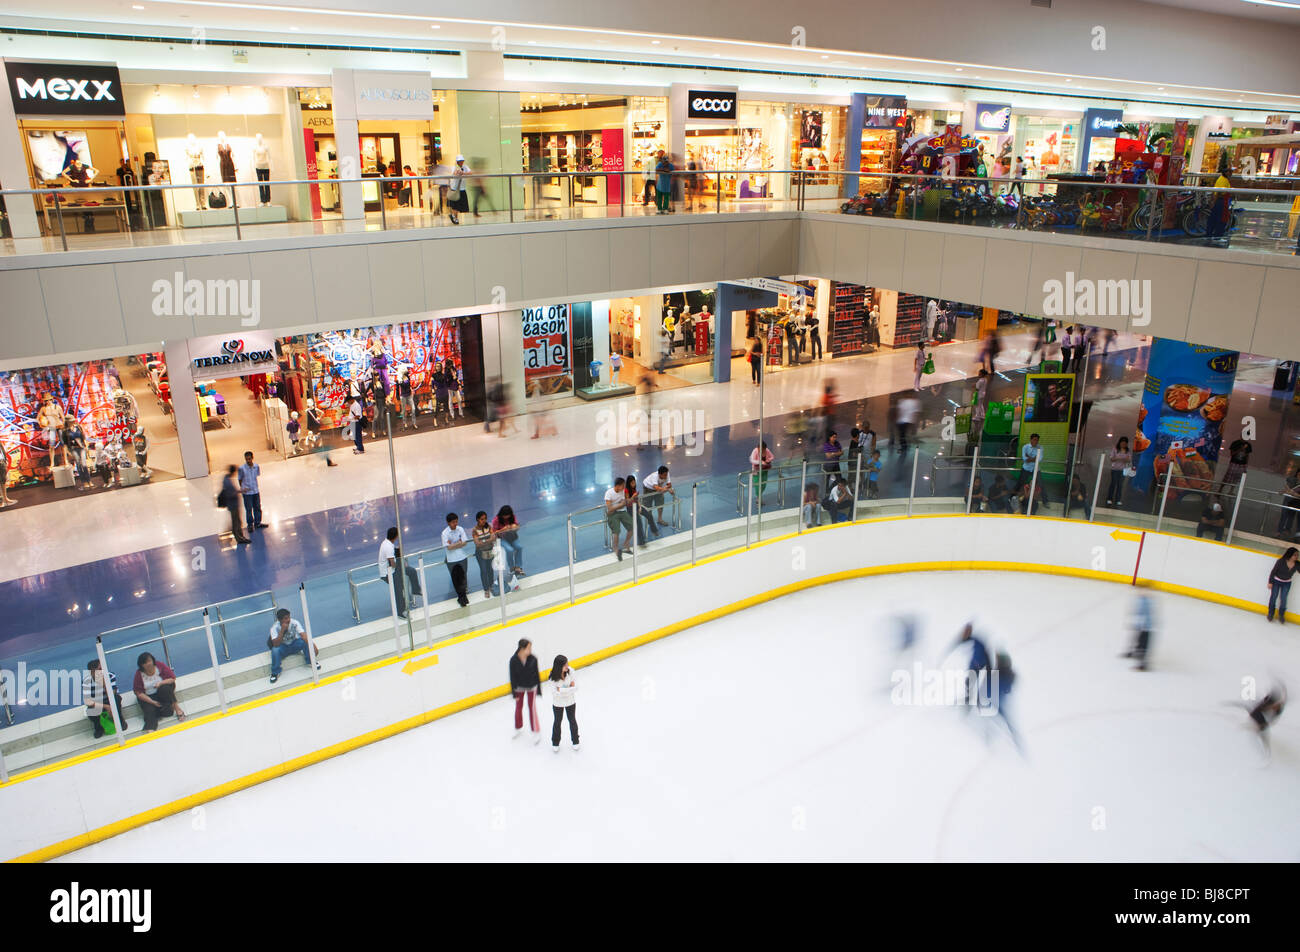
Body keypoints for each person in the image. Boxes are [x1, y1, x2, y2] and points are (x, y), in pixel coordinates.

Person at [133, 652, 185, 731]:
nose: (148, 664)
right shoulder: (139, 674)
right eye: (145, 663)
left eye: (149, 661)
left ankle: (177, 708)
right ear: (141, 665)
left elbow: (172, 678)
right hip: (148, 697)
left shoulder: (159, 666)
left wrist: (160, 683)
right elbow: (138, 693)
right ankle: (150, 729)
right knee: (150, 711)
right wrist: (152, 702)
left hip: (162, 693)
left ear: (153, 661)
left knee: (166, 691)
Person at [378, 526, 423, 619]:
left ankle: (416, 590)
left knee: (411, 571)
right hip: (389, 573)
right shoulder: (388, 547)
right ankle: (401, 612)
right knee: (398, 591)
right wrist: (402, 565)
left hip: (393, 570)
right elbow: (392, 563)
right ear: (396, 536)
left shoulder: (388, 543)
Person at [267, 608, 318, 684]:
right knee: (275, 650)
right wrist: (282, 631)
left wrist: (314, 647)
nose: (288, 620)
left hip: (294, 644)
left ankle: (311, 661)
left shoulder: (294, 623)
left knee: (304, 641)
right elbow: (276, 644)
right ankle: (275, 672)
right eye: (286, 618)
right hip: (283, 648)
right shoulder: (274, 628)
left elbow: (304, 635)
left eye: (289, 617)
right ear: (279, 620)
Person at [509, 638, 543, 743]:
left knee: (532, 708)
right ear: (522, 649)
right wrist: (514, 692)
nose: (530, 650)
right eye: (528, 648)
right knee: (518, 708)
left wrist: (538, 690)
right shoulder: (513, 660)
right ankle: (518, 728)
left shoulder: (533, 659)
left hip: (531, 687)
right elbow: (512, 677)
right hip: (519, 687)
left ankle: (536, 731)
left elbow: (537, 675)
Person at [548, 654, 579, 752]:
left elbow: (576, 688)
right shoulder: (552, 677)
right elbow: (554, 694)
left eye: (567, 663)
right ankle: (555, 742)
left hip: (570, 702)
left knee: (572, 720)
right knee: (557, 722)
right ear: (559, 666)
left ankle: (575, 740)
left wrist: (561, 690)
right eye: (565, 665)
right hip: (558, 704)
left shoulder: (571, 671)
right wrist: (569, 688)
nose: (567, 666)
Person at [441, 513, 471, 607]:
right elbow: (448, 548)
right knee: (456, 579)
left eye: (456, 521)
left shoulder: (460, 529)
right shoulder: (444, 533)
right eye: (453, 522)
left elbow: (464, 543)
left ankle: (464, 596)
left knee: (463, 576)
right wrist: (458, 543)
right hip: (451, 559)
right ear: (448, 523)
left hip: (462, 557)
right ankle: (461, 597)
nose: (455, 523)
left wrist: (453, 544)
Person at [1122, 593, 1155, 671]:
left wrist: (1140, 625)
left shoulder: (1146, 602)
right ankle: (1133, 652)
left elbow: (1143, 614)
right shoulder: (1141, 600)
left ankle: (1143, 664)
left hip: (1145, 627)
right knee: (1137, 641)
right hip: (1141, 626)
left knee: (1143, 645)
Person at [493, 505, 527, 580]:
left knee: (519, 547)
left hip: (512, 536)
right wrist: (503, 529)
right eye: (505, 516)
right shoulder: (496, 520)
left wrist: (515, 527)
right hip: (502, 538)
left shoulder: (512, 517)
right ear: (502, 514)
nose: (507, 517)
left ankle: (518, 567)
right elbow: (494, 532)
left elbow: (517, 526)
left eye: (508, 515)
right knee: (509, 550)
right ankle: (512, 567)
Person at [219, 464, 250, 544]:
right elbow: (230, 494)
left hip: (233, 505)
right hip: (233, 505)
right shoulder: (228, 482)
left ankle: (240, 535)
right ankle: (239, 538)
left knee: (237, 521)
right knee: (236, 522)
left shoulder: (226, 478)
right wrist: (241, 491)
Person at [238, 451, 267, 532]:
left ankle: (258, 523)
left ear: (252, 458)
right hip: (247, 493)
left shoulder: (256, 467)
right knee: (248, 509)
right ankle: (250, 524)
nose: (248, 461)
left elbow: (257, 476)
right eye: (246, 459)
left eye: (249, 459)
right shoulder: (242, 469)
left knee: (257, 507)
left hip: (255, 491)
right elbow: (239, 479)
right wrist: (243, 488)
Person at [605, 476, 633, 560]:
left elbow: (625, 501)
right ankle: (615, 548)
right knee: (616, 531)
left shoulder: (623, 491)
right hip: (613, 514)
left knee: (631, 526)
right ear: (617, 486)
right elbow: (610, 508)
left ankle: (626, 543)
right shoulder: (609, 493)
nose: (624, 487)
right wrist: (620, 505)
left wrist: (626, 502)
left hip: (622, 511)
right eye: (623, 485)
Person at [625, 474, 658, 545]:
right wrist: (633, 497)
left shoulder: (634, 489)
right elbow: (627, 502)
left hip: (637, 506)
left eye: (634, 482)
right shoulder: (626, 490)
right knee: (639, 523)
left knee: (649, 515)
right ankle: (641, 541)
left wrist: (640, 507)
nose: (634, 484)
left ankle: (654, 530)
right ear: (629, 483)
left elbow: (637, 500)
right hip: (630, 509)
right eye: (632, 483)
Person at [1267, 547, 1298, 623]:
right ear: (1290, 554)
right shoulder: (1281, 561)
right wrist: (1270, 582)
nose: (1297, 556)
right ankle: (1271, 613)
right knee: (1273, 597)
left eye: (1297, 555)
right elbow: (1273, 571)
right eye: (1295, 555)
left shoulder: (1297, 564)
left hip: (1287, 583)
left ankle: (1281, 615)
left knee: (1284, 599)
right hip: (1276, 581)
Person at [472, 511, 499, 598]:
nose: (484, 521)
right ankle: (486, 589)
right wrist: (488, 540)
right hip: (480, 553)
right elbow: (477, 543)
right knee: (483, 571)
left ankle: (491, 586)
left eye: (485, 519)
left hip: (490, 551)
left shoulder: (489, 527)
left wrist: (483, 541)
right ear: (477, 519)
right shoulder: (474, 530)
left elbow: (494, 538)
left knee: (490, 569)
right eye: (482, 519)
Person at [1106, 437, 1132, 507]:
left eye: (1125, 443)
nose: (1123, 445)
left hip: (1122, 470)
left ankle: (1118, 500)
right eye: (1122, 443)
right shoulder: (1115, 449)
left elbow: (1129, 460)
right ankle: (1109, 498)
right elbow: (1111, 458)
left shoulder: (1127, 451)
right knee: (1113, 484)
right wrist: (1118, 458)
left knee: (1120, 485)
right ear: (1119, 443)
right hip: (1114, 469)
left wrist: (1125, 459)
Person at [1278, 462, 1300, 538]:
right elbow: (1287, 488)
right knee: (1284, 515)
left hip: (1295, 502)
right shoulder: (1292, 480)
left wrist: (1292, 493)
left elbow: (1295, 494)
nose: (1299, 476)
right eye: (1299, 474)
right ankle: (1279, 531)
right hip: (1288, 500)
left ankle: (1288, 530)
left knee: (1291, 516)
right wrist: (1287, 491)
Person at [447, 155, 471, 225]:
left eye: (462, 161)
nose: (461, 162)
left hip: (462, 188)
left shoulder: (465, 167)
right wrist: (457, 173)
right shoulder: (454, 167)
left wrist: (463, 173)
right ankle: (455, 218)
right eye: (459, 161)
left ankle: (454, 216)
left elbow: (470, 173)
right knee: (455, 206)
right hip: (455, 189)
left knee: (461, 206)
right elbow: (453, 174)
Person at [749, 441, 774, 505]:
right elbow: (752, 460)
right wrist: (760, 462)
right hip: (756, 471)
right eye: (760, 449)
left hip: (764, 470)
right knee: (757, 485)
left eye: (763, 449)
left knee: (763, 484)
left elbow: (772, 457)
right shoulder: (755, 451)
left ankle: (759, 498)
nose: (761, 450)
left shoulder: (767, 450)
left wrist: (768, 460)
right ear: (758, 447)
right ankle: (758, 499)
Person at [654, 150, 674, 214]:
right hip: (660, 184)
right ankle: (659, 209)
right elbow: (656, 169)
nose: (664, 163)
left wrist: (666, 170)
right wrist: (663, 170)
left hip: (667, 184)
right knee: (659, 197)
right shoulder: (660, 164)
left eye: (666, 162)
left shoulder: (670, 165)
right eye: (663, 162)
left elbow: (672, 171)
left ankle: (665, 208)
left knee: (666, 198)